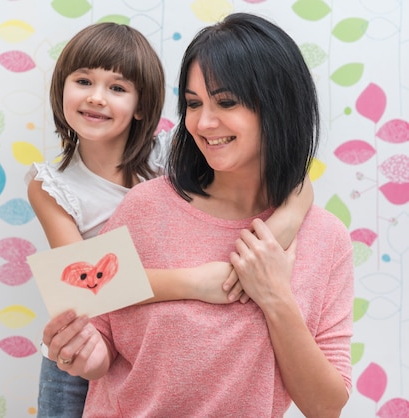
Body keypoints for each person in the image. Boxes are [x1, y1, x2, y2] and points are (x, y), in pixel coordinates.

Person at [41, 13, 353, 418]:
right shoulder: (145, 207)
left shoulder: (326, 240)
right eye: (192, 104)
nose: (203, 123)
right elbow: (98, 344)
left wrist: (275, 296)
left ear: (279, 106)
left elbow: (326, 408)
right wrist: (81, 354)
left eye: (226, 102)